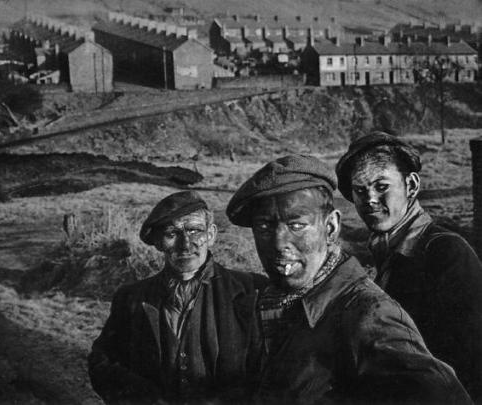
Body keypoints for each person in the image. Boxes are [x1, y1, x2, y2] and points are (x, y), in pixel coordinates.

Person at [226, 154, 471, 404]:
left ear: (331, 228)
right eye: (264, 226)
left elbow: (446, 397)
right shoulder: (269, 302)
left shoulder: (369, 314)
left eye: (297, 225)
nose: (278, 243)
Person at [336, 131, 482, 402]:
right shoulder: (383, 255)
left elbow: (470, 362)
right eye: (360, 190)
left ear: (411, 186)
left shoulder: (446, 253)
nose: (369, 199)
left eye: (381, 186)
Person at [88, 190, 268, 405]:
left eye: (194, 231)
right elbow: (102, 362)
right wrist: (143, 399)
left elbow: (271, 372)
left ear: (211, 235)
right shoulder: (132, 298)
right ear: (158, 242)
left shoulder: (252, 291)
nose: (185, 244)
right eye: (172, 234)